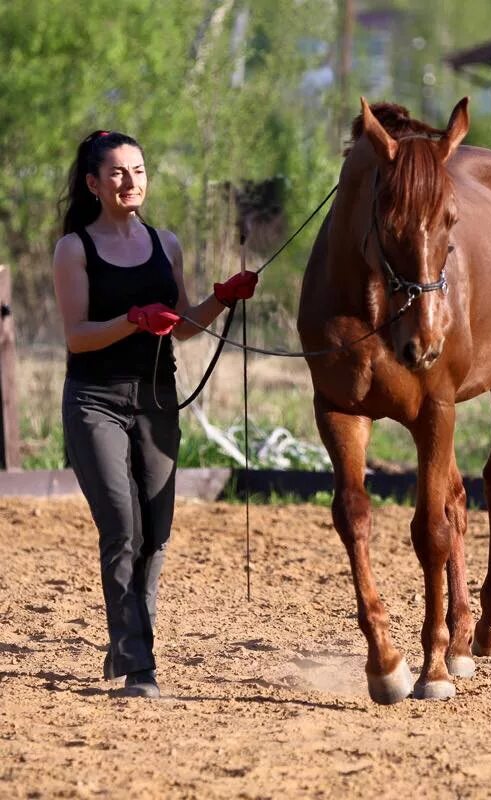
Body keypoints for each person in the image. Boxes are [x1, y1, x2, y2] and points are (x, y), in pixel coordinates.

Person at [52, 130, 257, 698]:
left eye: (138, 170)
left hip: (157, 401)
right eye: (117, 173)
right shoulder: (75, 249)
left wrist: (223, 297)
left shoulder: (166, 244)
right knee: (122, 527)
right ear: (93, 184)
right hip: (95, 401)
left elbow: (183, 326)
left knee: (156, 534)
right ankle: (140, 666)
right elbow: (77, 337)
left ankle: (125, 644)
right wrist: (132, 320)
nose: (130, 182)